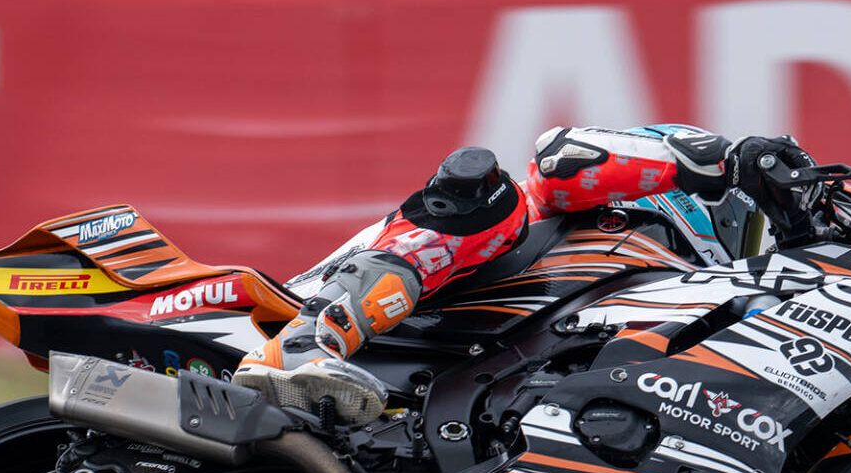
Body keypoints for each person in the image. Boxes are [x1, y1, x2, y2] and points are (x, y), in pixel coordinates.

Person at [234, 125, 816, 422]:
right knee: (492, 205)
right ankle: (305, 342)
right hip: (294, 310)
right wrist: (723, 163)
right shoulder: (574, 213)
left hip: (418, 380)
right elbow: (561, 156)